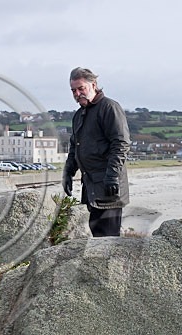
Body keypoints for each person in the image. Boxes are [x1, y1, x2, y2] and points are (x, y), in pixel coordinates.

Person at [62, 67, 131, 237]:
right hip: (91, 185)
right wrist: (68, 173)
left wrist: (112, 175)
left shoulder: (109, 108)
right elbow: (74, 147)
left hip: (109, 186)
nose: (77, 94)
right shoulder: (79, 115)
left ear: (93, 85)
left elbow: (121, 143)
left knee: (108, 239)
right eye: (73, 90)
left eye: (81, 89)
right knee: (98, 235)